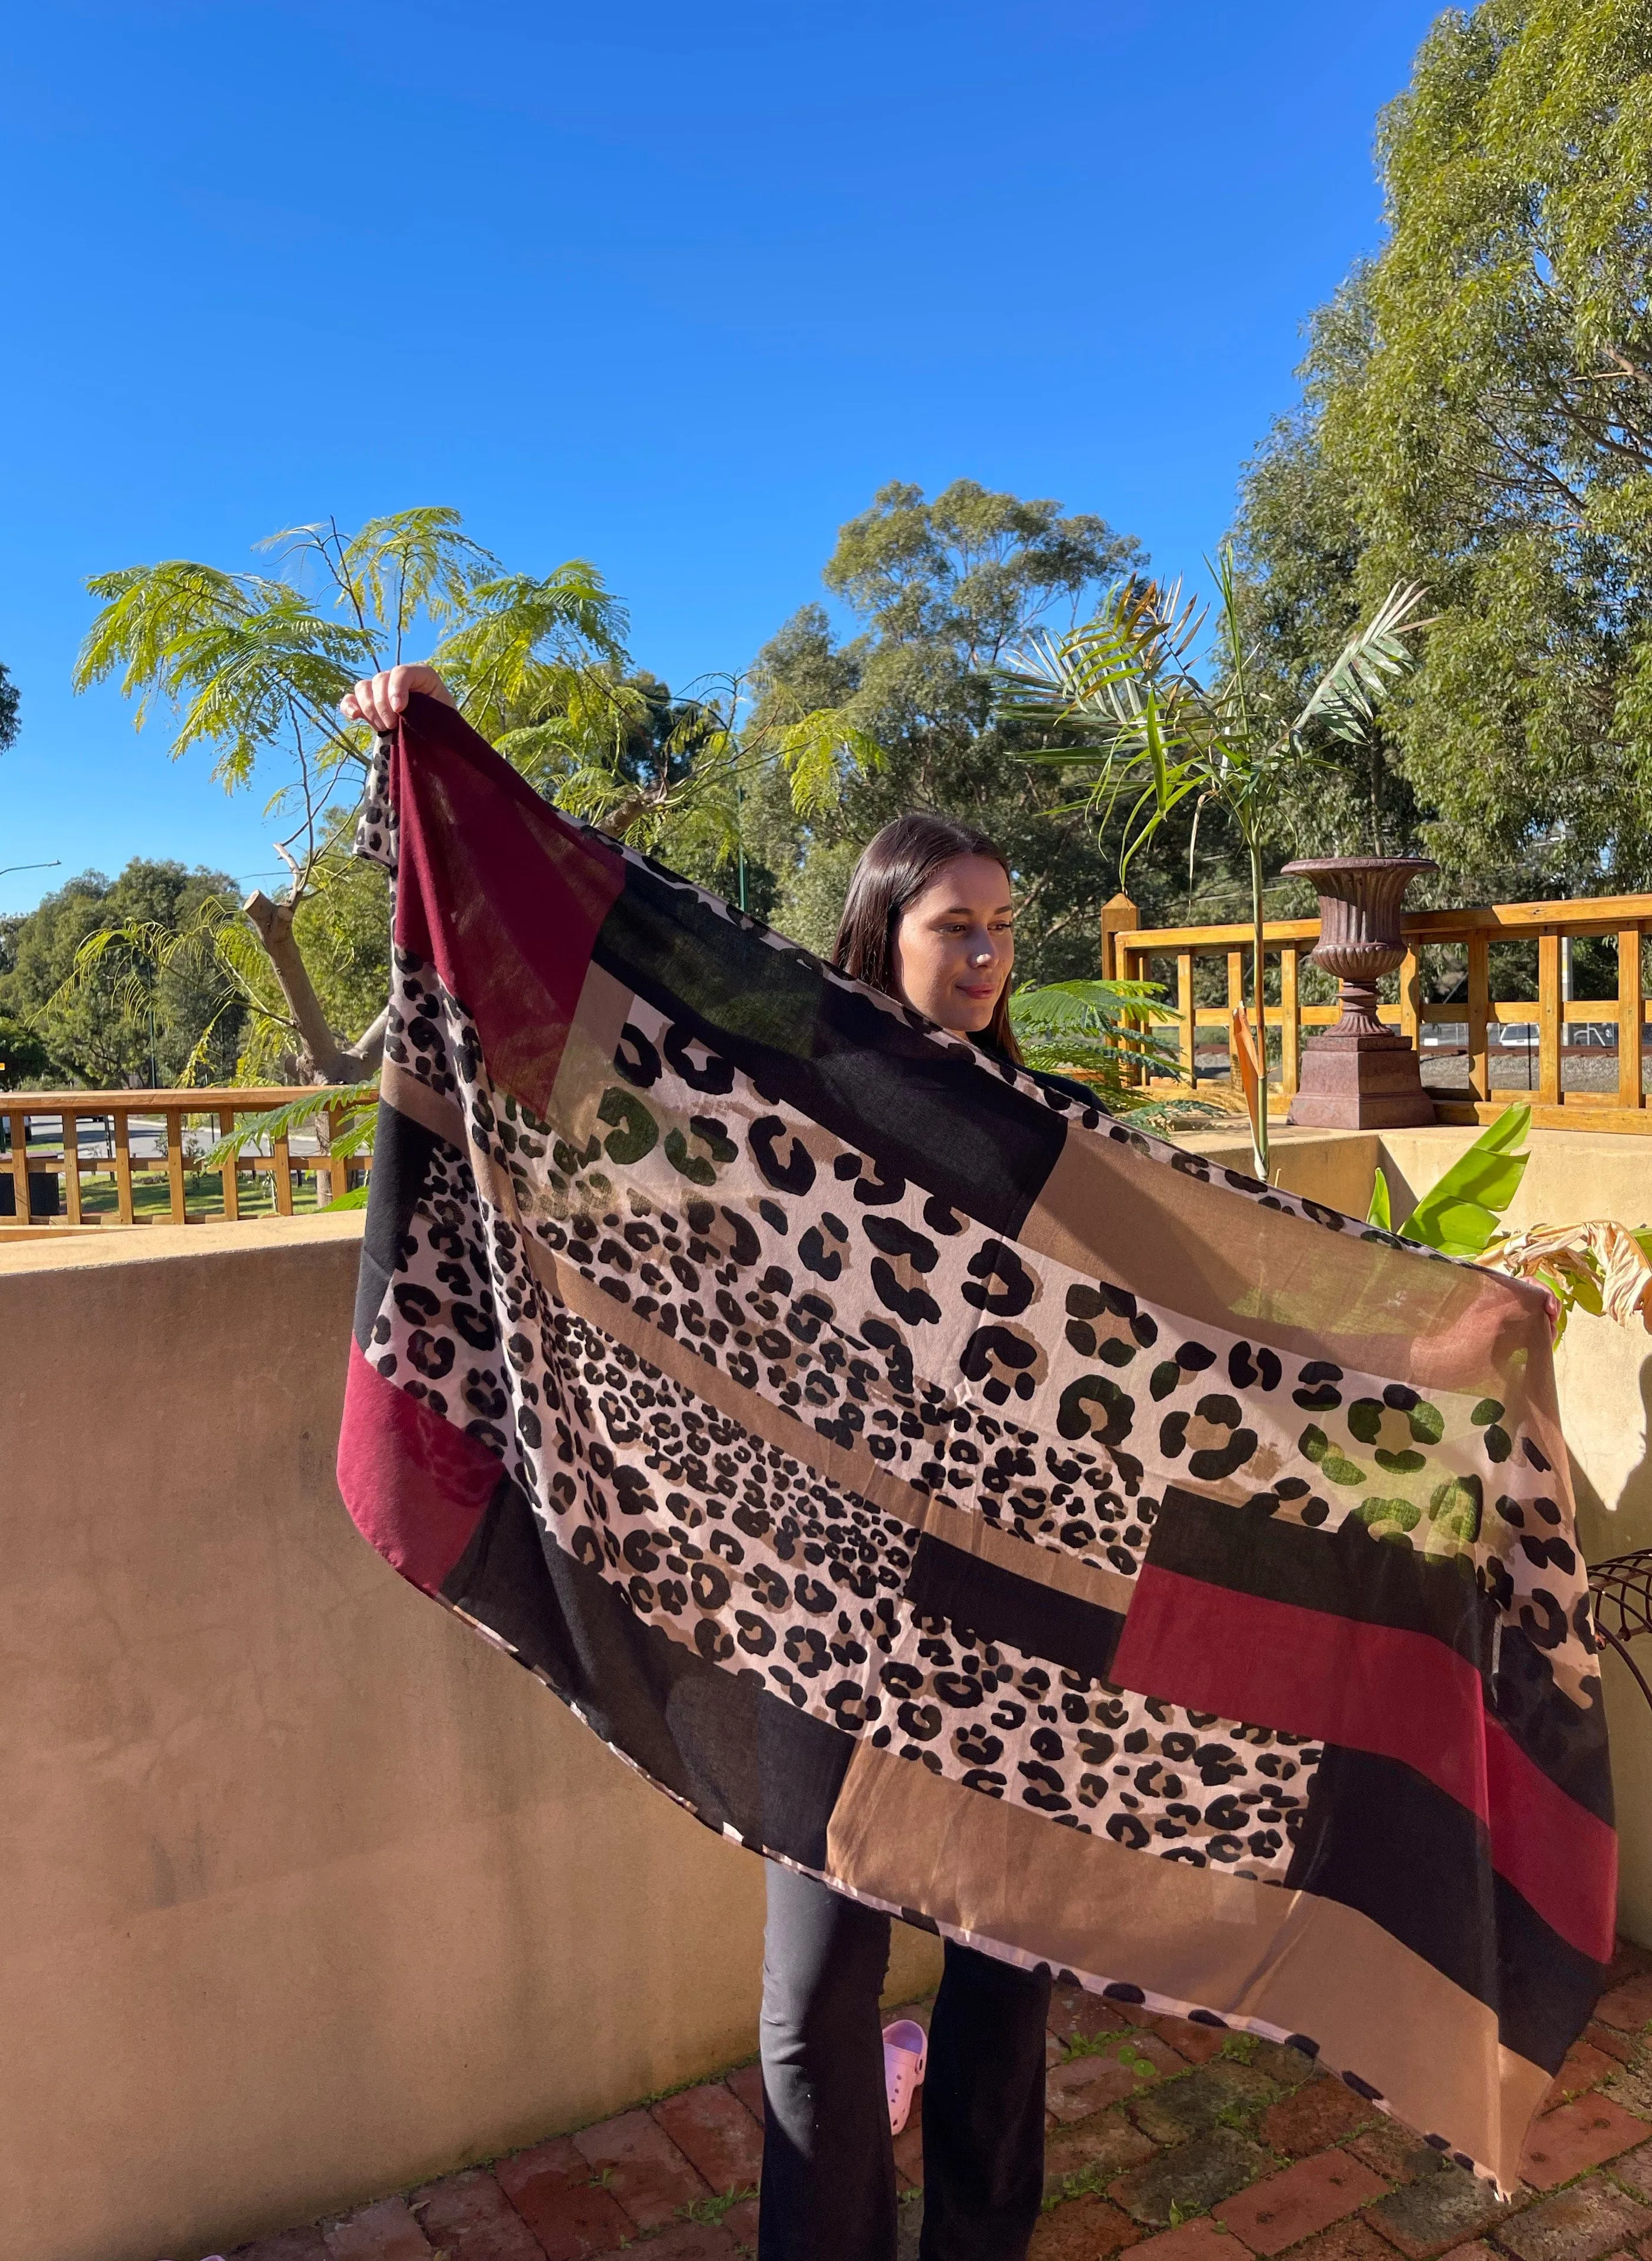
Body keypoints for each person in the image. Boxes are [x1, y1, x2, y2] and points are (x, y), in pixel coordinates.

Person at [343, 664, 1096, 2261]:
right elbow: (606, 990)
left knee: (1005, 1985)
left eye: (1002, 929)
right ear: (880, 932)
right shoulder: (798, 1095)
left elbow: (1184, 1307)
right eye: (953, 924)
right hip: (822, 1623)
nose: (983, 956)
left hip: (1006, 1622)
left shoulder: (1051, 1129)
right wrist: (430, 767)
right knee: (816, 2000)